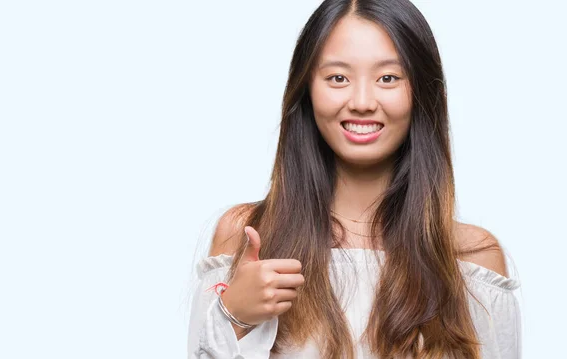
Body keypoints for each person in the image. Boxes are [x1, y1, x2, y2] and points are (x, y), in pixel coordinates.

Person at [187, 0, 521, 358]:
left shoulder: (472, 259)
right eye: (338, 78)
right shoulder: (249, 235)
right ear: (306, 90)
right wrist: (232, 315)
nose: (362, 101)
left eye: (388, 78)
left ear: (422, 92)